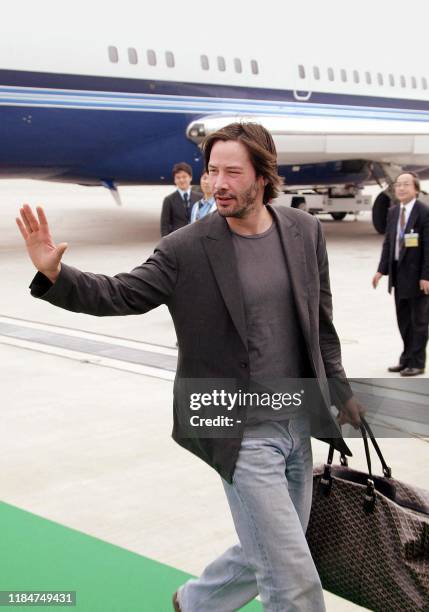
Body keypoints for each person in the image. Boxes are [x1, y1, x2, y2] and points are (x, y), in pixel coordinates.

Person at [17, 122, 363, 612]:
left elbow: (319, 321)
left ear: (263, 176)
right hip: (234, 427)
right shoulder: (187, 247)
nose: (217, 183)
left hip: (295, 420)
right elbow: (122, 293)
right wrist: (56, 275)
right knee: (293, 578)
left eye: (232, 172)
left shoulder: (303, 231)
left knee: (269, 546)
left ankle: (195, 603)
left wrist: (341, 388)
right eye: (211, 170)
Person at [373, 172, 429, 376]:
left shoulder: (424, 212)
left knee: (419, 322)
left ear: (416, 188)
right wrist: (381, 270)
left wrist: (427, 276)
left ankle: (418, 362)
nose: (401, 188)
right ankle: (406, 359)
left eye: (406, 184)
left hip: (418, 278)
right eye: (398, 185)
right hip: (399, 275)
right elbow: (388, 242)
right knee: (404, 321)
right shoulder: (394, 212)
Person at [160, 162, 201, 236]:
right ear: (174, 180)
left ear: (190, 177)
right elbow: (164, 226)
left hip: (196, 239)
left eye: (184, 177)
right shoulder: (169, 200)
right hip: (177, 240)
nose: (181, 180)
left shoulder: (200, 198)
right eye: (178, 177)